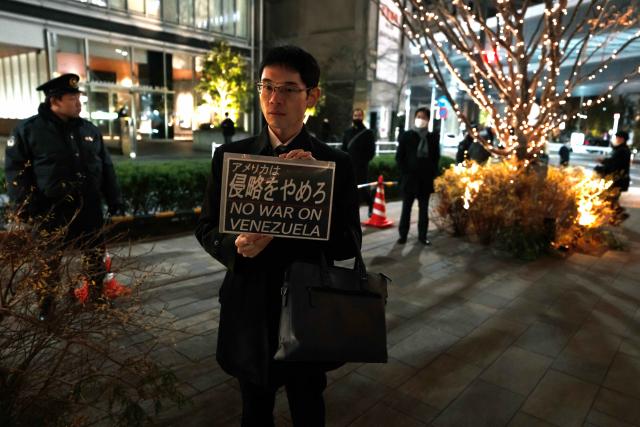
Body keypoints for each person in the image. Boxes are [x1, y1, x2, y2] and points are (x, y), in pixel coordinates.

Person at [195, 46, 361, 426]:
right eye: (267, 86)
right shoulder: (231, 157)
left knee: (308, 407)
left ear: (311, 96)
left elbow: (350, 242)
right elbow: (206, 227)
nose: (274, 99)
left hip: (309, 307)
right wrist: (234, 246)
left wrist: (311, 202)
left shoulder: (334, 164)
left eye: (288, 89)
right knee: (254, 408)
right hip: (249, 307)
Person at [4, 73, 124, 320]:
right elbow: (16, 173)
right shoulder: (29, 130)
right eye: (72, 98)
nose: (79, 103)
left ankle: (96, 295)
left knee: (94, 257)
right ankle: (46, 308)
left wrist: (115, 200)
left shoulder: (88, 129)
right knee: (48, 263)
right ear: (54, 100)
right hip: (50, 210)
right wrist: (26, 207)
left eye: (79, 98)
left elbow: (106, 167)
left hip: (88, 207)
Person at [396, 107, 440, 245]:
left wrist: (431, 173)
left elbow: (435, 158)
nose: (421, 119)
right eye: (418, 116)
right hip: (409, 179)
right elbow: (399, 157)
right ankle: (403, 235)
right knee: (406, 209)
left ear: (428, 120)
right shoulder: (407, 135)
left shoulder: (432, 137)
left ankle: (422, 236)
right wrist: (405, 172)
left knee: (423, 210)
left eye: (424, 117)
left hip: (425, 180)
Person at [342, 108, 376, 216]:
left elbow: (371, 151)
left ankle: (371, 204)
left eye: (359, 115)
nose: (357, 117)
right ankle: (350, 212)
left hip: (361, 167)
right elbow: (343, 148)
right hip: (348, 166)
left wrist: (363, 161)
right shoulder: (347, 132)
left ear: (363, 117)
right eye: (355, 115)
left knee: (363, 189)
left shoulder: (368, 133)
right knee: (348, 189)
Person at [595, 130, 631, 221]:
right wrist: (604, 162)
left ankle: (617, 216)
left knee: (610, 198)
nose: (615, 139)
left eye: (617, 137)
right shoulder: (621, 149)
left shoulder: (622, 150)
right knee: (612, 199)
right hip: (617, 179)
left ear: (622, 139)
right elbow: (613, 161)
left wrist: (601, 169)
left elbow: (615, 165)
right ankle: (616, 216)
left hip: (617, 180)